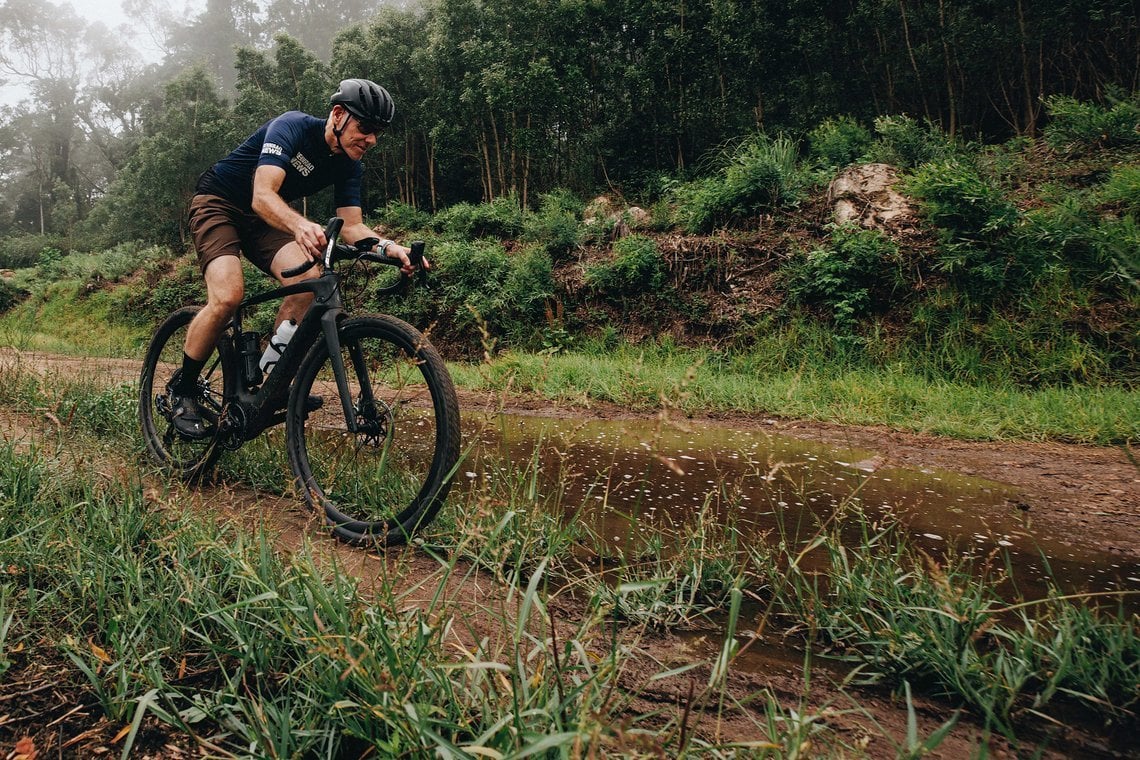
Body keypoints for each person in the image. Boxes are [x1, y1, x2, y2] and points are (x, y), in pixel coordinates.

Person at [169, 78, 421, 438]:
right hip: (219, 203)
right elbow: (262, 195)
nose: (371, 140)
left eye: (377, 133)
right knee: (228, 296)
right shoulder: (292, 127)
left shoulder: (349, 163)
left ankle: (270, 384)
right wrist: (301, 226)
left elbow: (352, 227)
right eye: (365, 128)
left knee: (306, 285)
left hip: (263, 219)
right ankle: (184, 390)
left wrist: (390, 247)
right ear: (338, 114)